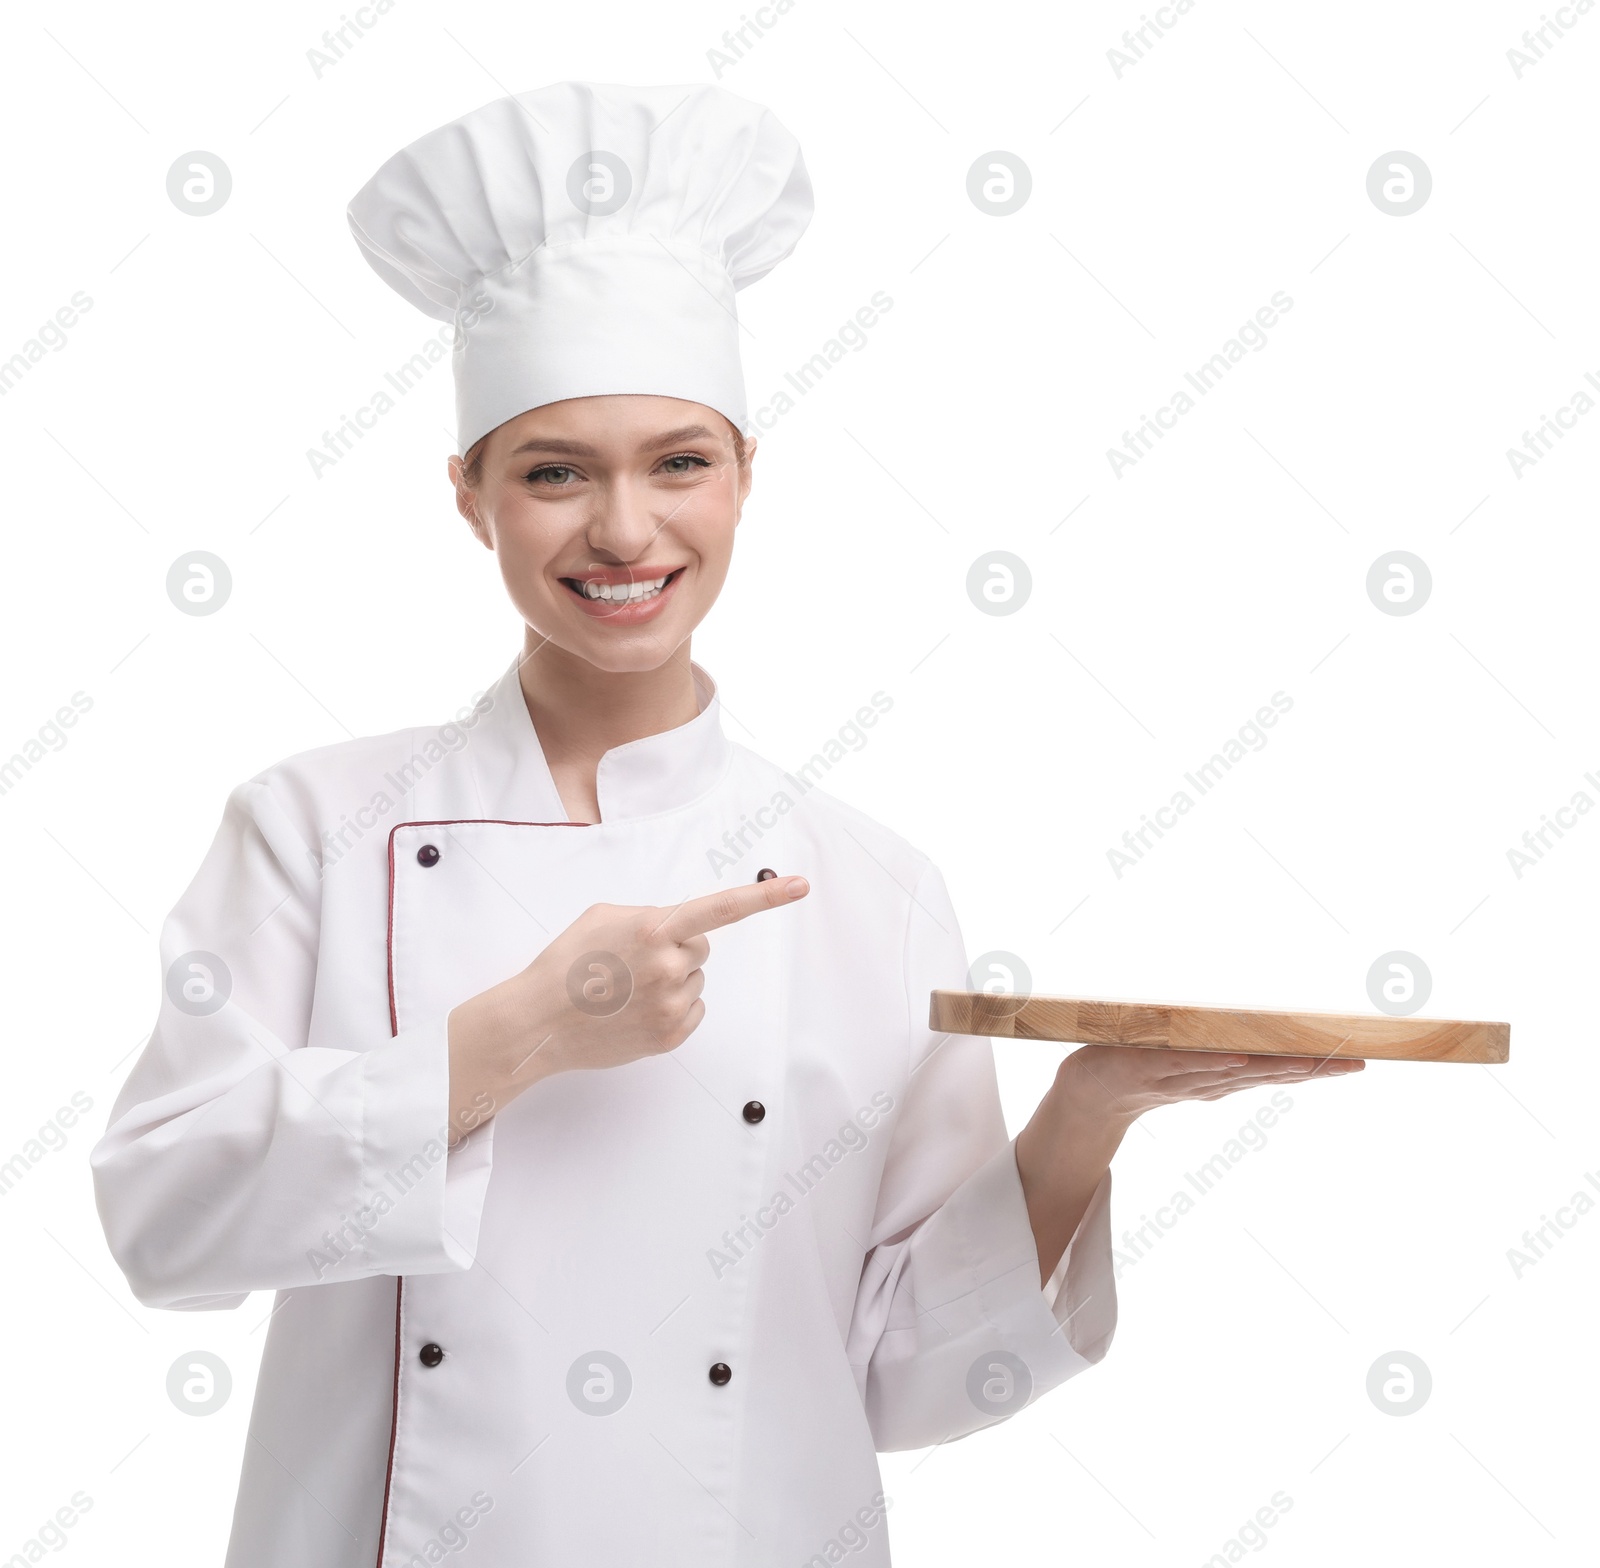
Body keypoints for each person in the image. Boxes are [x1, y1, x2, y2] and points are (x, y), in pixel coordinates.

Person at [91, 80, 1363, 1568]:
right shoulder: (313, 826)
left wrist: (1087, 1115)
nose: (626, 533)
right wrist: (520, 1035)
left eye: (679, 462)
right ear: (468, 496)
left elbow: (905, 1374)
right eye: (554, 472)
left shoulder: (870, 883)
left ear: (747, 475)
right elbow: (162, 1229)